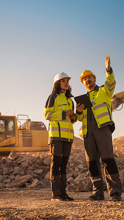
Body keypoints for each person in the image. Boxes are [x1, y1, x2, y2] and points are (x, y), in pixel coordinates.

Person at [76, 56, 122, 201]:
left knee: (108, 159)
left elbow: (111, 82)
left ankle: (114, 192)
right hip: (88, 133)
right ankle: (98, 193)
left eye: (89, 78)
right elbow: (79, 118)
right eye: (85, 79)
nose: (87, 80)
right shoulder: (83, 100)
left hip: (102, 129)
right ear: (83, 83)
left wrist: (108, 70)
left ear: (94, 79)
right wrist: (78, 111)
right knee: (92, 163)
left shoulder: (104, 91)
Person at [44, 72, 77, 201]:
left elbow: (70, 120)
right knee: (55, 164)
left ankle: (63, 194)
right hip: (56, 137)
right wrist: (64, 114)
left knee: (63, 166)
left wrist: (74, 117)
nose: (66, 83)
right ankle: (56, 194)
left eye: (67, 81)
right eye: (63, 81)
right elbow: (48, 115)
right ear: (57, 83)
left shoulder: (70, 101)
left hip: (67, 137)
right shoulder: (53, 97)